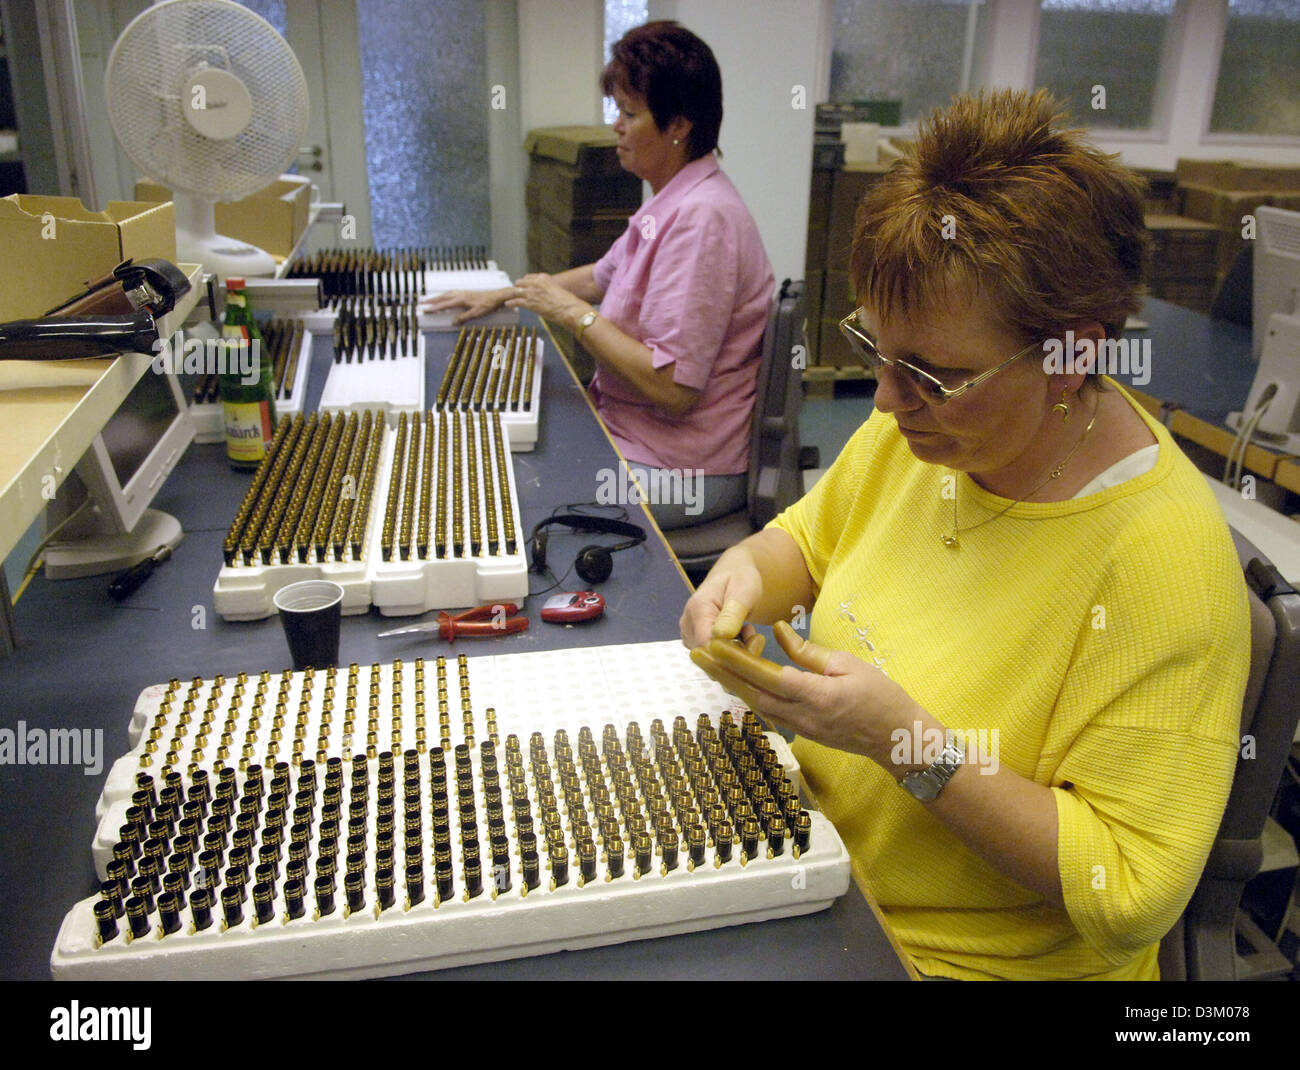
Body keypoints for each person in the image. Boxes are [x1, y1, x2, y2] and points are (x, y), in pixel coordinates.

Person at [681, 89, 1251, 981]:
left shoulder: (1160, 565)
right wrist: (743, 574)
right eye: (876, 351)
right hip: (821, 881)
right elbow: (805, 544)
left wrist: (906, 743)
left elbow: (1132, 890)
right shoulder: (926, 431)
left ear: (1074, 354)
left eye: (933, 375)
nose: (883, 400)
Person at [424, 21, 774, 530]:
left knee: (504, 490)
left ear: (678, 125)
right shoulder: (673, 201)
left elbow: (675, 389)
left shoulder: (704, 219)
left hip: (682, 468)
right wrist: (502, 294)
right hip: (638, 434)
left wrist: (571, 315)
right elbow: (601, 276)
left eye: (630, 113)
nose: (616, 125)